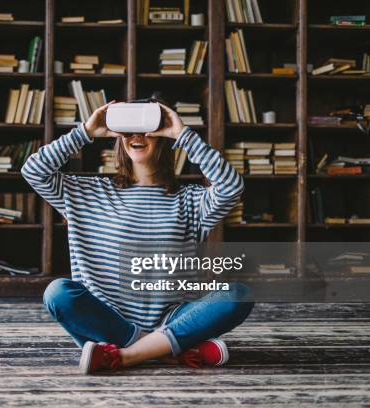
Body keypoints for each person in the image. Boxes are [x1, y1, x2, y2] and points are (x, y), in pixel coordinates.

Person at [22, 100, 254, 374]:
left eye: (147, 130)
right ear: (119, 140)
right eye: (128, 131)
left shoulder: (191, 200)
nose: (137, 137)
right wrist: (86, 131)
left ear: (162, 138)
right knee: (58, 293)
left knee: (239, 294)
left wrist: (183, 135)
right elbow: (33, 171)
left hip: (172, 318)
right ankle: (164, 349)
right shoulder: (86, 193)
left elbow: (231, 187)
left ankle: (126, 355)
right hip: (107, 320)